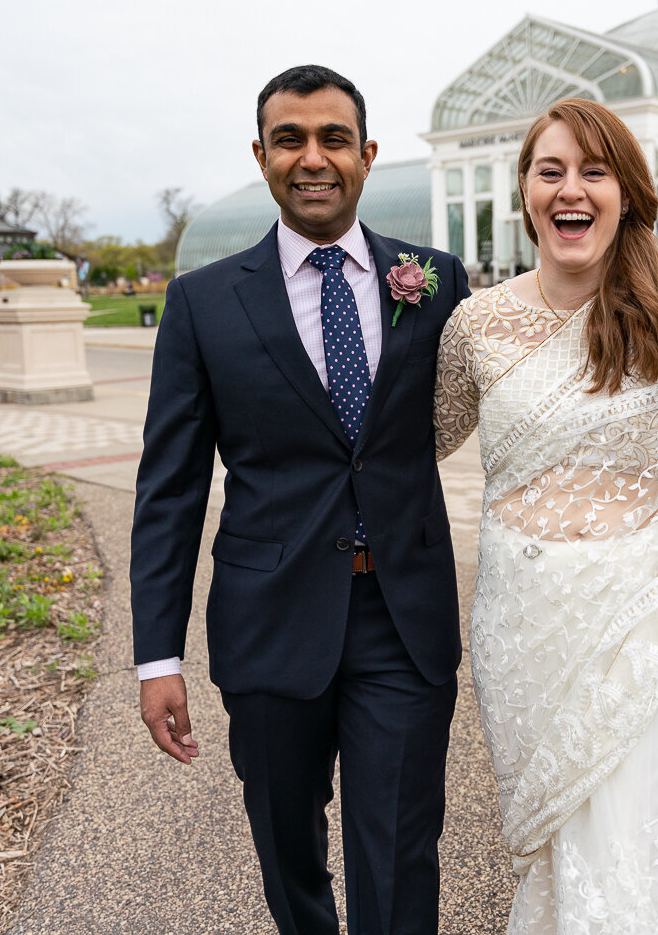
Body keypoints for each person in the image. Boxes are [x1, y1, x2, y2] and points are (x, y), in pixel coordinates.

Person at [433, 98, 658, 933]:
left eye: (594, 171)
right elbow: (401, 456)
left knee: (638, 868)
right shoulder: (476, 325)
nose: (572, 189)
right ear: (526, 193)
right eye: (551, 170)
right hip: (526, 636)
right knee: (569, 862)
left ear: (627, 192)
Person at [130, 65, 471, 935]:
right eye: (290, 139)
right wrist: (156, 656)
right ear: (262, 156)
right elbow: (170, 488)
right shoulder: (204, 303)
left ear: (367, 155)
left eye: (333, 138)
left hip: (403, 614)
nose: (312, 157)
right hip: (269, 618)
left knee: (399, 848)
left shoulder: (437, 283)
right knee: (287, 847)